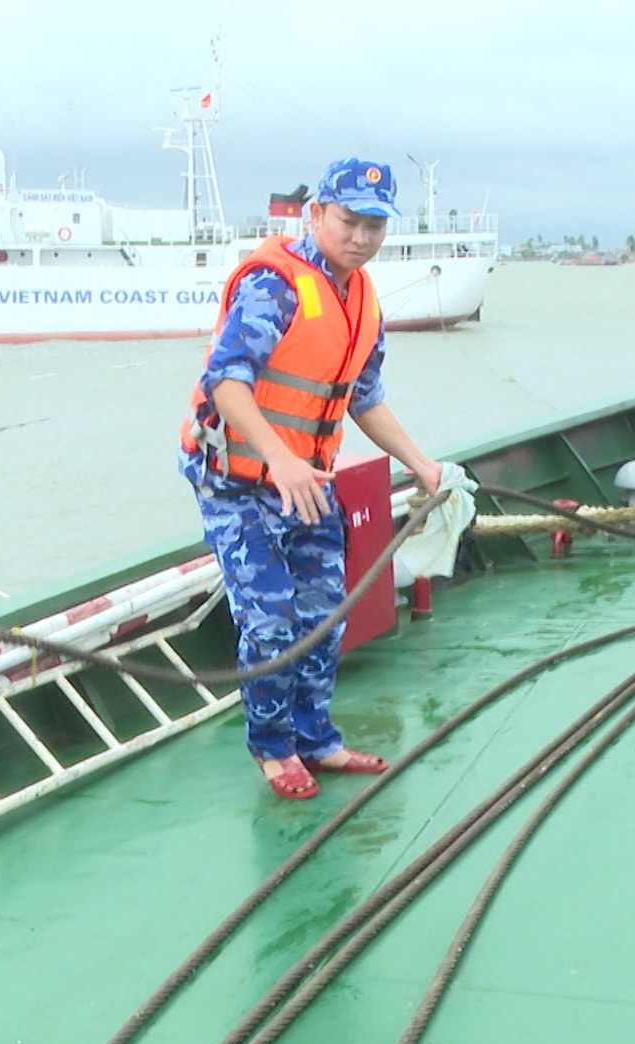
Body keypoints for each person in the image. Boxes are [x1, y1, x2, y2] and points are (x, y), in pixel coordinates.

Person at [179, 158, 443, 801]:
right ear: (316, 214)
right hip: (235, 479)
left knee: (326, 610)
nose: (360, 237)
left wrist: (421, 462)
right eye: (349, 220)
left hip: (303, 478)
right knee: (270, 620)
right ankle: (273, 749)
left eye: (374, 225)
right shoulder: (275, 286)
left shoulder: (362, 298)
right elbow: (227, 379)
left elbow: (365, 396)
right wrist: (276, 456)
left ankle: (317, 738)